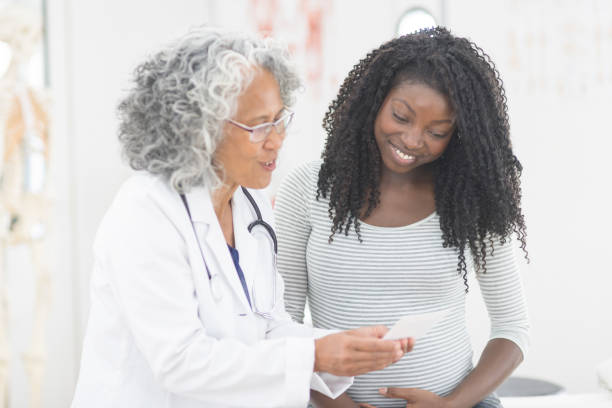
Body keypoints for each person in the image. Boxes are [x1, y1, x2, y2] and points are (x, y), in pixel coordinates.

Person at [70, 27, 414, 408]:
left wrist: (342, 347)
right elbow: (180, 363)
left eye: (279, 119)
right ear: (198, 130)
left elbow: (266, 324)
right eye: (258, 126)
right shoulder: (145, 213)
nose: (277, 140)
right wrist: (315, 356)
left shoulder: (250, 201)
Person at [275, 27, 530, 408]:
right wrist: (335, 404)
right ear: (373, 103)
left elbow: (512, 330)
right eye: (401, 116)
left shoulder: (470, 201)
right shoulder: (308, 189)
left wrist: (451, 405)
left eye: (437, 131)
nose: (412, 140)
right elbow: (282, 325)